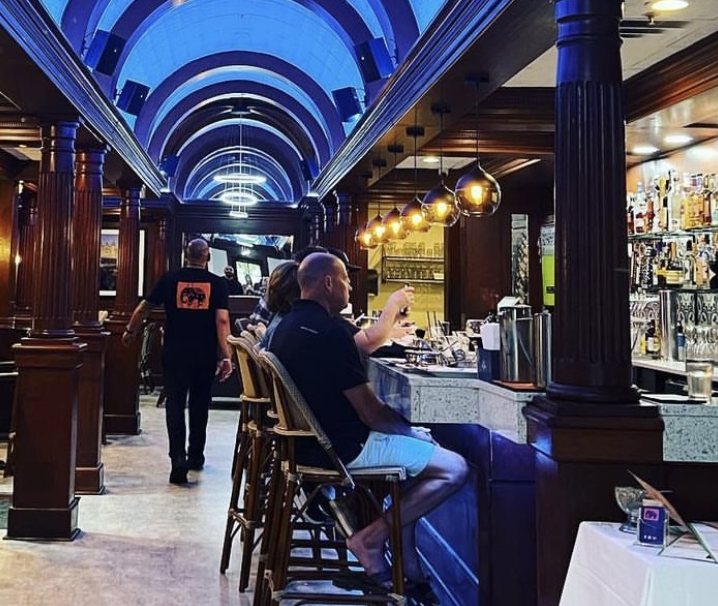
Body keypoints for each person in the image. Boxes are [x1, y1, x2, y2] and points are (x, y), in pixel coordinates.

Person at [269, 252, 469, 601]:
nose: (350, 286)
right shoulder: (330, 333)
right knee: (454, 468)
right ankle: (371, 538)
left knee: (411, 466)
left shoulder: (285, 328)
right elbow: (371, 414)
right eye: (346, 279)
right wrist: (411, 432)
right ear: (329, 283)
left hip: (309, 445)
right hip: (345, 448)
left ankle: (408, 568)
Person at [124, 236, 233, 486]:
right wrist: (226, 355)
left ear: (186, 254)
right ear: (206, 256)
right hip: (204, 354)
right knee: (199, 404)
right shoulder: (217, 284)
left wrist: (131, 331)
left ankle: (178, 461)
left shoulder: (170, 279)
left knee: (174, 403)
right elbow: (222, 321)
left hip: (174, 351)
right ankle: (195, 455)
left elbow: (144, 308)